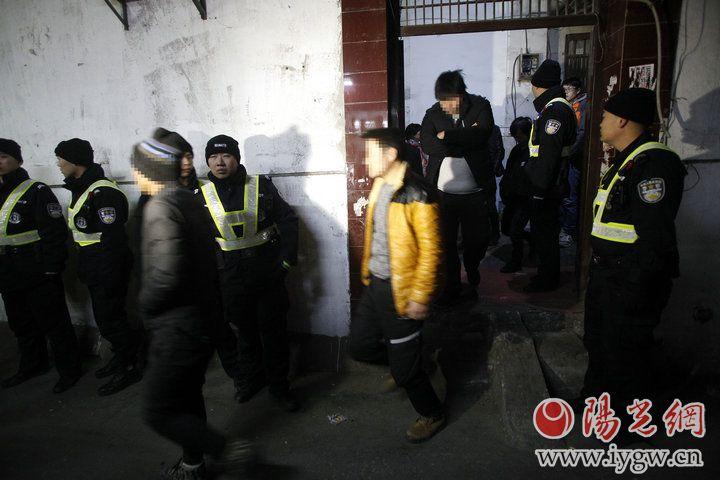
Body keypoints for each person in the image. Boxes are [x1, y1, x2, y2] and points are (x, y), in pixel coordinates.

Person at [135, 129, 254, 480]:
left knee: (158, 410)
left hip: (177, 325)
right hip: (200, 318)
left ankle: (232, 454)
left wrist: (144, 306)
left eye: (138, 168)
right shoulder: (188, 198)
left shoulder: (161, 206)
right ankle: (193, 463)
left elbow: (166, 276)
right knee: (187, 396)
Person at [581, 88, 686, 410]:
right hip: (608, 275)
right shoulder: (627, 160)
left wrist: (635, 285)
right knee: (598, 343)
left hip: (630, 279)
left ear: (622, 120)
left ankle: (626, 421)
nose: (600, 123)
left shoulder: (653, 163)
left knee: (625, 354)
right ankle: (595, 404)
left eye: (605, 116)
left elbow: (655, 235)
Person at [348, 128, 445, 443]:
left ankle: (432, 413)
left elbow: (431, 252)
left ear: (390, 155)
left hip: (403, 292)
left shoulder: (419, 192)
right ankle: (416, 361)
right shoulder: (381, 184)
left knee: (405, 373)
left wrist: (420, 297)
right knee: (360, 346)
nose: (365, 160)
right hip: (376, 285)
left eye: (370, 153)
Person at [200, 134, 300, 411]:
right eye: (213, 157)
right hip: (230, 277)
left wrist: (286, 262)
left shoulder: (260, 185)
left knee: (274, 333)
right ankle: (252, 381)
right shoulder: (202, 195)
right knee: (244, 333)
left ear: (236, 158)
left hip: (267, 273)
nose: (220, 162)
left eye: (226, 155)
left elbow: (288, 221)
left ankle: (280, 388)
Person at [57, 138, 141, 395]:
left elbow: (113, 239)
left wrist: (107, 272)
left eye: (61, 159)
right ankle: (121, 357)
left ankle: (131, 365)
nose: (59, 164)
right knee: (106, 318)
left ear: (75, 162)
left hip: (107, 267)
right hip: (93, 266)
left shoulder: (103, 192)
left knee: (112, 319)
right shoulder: (82, 188)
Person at [0, 139, 81, 394]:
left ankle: (69, 370)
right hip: (7, 272)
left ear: (18, 160)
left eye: (3, 156)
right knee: (20, 323)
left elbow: (54, 232)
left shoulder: (36, 191)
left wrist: (51, 268)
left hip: (36, 270)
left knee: (54, 322)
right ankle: (32, 364)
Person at [420, 70, 494, 302]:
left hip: (476, 193)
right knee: (446, 243)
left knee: (477, 240)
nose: (446, 106)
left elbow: (482, 135)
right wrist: (464, 138)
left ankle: (472, 266)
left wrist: (446, 136)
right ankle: (451, 285)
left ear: (462, 95)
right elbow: (427, 144)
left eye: (450, 100)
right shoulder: (433, 113)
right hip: (443, 194)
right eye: (442, 101)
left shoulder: (480, 106)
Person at [523, 60, 577, 293]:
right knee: (545, 233)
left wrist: (539, 191)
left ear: (538, 86)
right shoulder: (557, 108)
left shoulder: (555, 111)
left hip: (547, 186)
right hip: (550, 184)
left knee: (545, 234)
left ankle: (547, 279)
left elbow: (549, 155)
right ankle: (546, 275)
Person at [499, 118, 533, 273]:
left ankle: (516, 261)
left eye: (518, 135)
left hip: (525, 197)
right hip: (513, 196)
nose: (516, 138)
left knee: (515, 230)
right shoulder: (517, 150)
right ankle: (532, 240)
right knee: (506, 228)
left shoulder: (533, 150)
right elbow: (509, 171)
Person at [560, 76, 590, 246]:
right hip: (567, 156)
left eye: (569, 89)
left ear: (578, 90)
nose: (566, 92)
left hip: (574, 158)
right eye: (564, 89)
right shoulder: (568, 105)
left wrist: (569, 153)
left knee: (570, 195)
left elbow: (581, 133)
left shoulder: (583, 106)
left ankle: (569, 231)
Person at [487, 125, 505, 246]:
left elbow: (499, 151)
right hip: (479, 171)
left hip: (487, 172)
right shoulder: (493, 129)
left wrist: (492, 170)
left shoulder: (493, 129)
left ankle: (494, 234)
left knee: (490, 205)